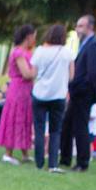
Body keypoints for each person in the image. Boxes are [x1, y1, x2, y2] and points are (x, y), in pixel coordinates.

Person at [59, 15, 96, 172]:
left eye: (81, 26)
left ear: (89, 27)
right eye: (77, 26)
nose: (77, 30)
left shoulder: (94, 45)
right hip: (77, 92)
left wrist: (79, 88)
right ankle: (64, 158)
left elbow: (92, 74)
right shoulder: (85, 44)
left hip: (83, 94)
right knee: (67, 124)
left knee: (80, 126)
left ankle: (82, 162)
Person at [30, 23, 72, 172]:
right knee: (55, 130)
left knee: (39, 128)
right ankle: (53, 163)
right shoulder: (67, 53)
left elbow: (33, 73)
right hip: (58, 95)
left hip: (40, 94)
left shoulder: (40, 51)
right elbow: (71, 75)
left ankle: (39, 161)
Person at [0, 24, 36, 165]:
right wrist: (38, 68)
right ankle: (8, 153)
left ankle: (25, 153)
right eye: (34, 36)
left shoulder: (28, 52)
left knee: (25, 119)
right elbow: (26, 73)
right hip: (18, 89)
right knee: (14, 118)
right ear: (28, 37)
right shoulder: (18, 53)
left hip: (26, 91)